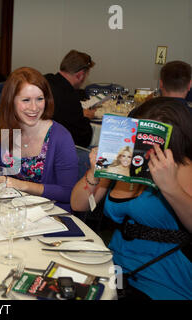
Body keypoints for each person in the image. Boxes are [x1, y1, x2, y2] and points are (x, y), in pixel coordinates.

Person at [70, 97, 192, 300]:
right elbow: (78, 203)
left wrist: (171, 187)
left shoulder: (185, 168)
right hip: (114, 264)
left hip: (163, 274)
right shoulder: (125, 160)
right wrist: (94, 172)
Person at [0, 67, 78, 212]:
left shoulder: (60, 137)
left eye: (40, 99)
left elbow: (68, 192)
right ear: (11, 101)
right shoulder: (3, 128)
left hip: (51, 216)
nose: (34, 107)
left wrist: (21, 185)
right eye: (26, 100)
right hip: (9, 212)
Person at [45, 50, 96, 148]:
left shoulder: (46, 79)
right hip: (55, 149)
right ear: (80, 75)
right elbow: (83, 138)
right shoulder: (70, 97)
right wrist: (85, 118)